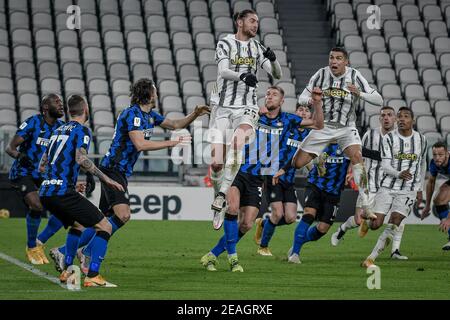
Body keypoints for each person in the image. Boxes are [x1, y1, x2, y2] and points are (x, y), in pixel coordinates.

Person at [49, 78, 209, 274]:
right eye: (155, 92)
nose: (157, 95)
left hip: (119, 170)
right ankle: (86, 254)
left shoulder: (149, 115)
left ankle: (65, 251)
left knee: (105, 219)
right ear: (149, 94)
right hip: (113, 169)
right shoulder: (132, 113)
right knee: (123, 215)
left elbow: (175, 124)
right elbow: (140, 144)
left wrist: (195, 114)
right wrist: (171, 144)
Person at [200, 86, 323, 271]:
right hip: (238, 170)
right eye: (268, 94)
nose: (270, 96)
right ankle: (233, 259)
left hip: (258, 178)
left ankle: (212, 255)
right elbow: (231, 116)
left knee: (247, 223)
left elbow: (318, 124)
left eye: (274, 94)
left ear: (282, 101)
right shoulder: (253, 116)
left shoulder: (288, 120)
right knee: (232, 209)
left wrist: (318, 103)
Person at [39, 95, 125, 287]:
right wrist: (106, 178)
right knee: (105, 226)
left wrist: (67, 181)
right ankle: (93, 275)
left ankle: (67, 270)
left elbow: (42, 166)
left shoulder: (56, 131)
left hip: (47, 192)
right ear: (85, 108)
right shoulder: (82, 131)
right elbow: (81, 159)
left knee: (77, 224)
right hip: (62, 191)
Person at [208, 9, 282, 229]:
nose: (255, 25)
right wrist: (242, 75)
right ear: (239, 22)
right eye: (252, 21)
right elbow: (223, 71)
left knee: (237, 143)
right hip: (222, 108)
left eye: (257, 22)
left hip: (247, 108)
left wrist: (274, 60)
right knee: (216, 162)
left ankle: (222, 193)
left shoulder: (257, 47)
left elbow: (277, 75)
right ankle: (217, 198)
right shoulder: (225, 43)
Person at [292, 47, 383, 220]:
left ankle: (366, 204)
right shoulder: (321, 74)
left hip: (346, 127)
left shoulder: (355, 75)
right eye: (331, 57)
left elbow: (379, 100)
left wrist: (360, 93)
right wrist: (312, 100)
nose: (334, 61)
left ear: (346, 61)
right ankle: (317, 159)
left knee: (357, 156)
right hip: (323, 126)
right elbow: (302, 97)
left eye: (338, 58)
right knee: (297, 163)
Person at [331, 106, 409, 259]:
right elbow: (357, 153)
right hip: (370, 183)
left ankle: (395, 251)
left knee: (397, 215)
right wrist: (350, 171)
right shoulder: (370, 134)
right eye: (383, 115)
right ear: (379, 119)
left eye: (389, 115)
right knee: (359, 219)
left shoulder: (401, 138)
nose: (386, 118)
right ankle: (342, 229)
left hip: (391, 184)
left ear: (395, 119)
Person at [362, 107, 427, 267]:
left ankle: (371, 258)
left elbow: (422, 164)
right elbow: (384, 165)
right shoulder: (389, 138)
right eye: (400, 117)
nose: (402, 119)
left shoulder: (421, 140)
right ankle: (367, 223)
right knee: (376, 224)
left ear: (413, 120)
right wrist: (399, 173)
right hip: (387, 186)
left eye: (406, 116)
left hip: (408, 190)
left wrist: (420, 188)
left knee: (395, 222)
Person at [6, 94, 65, 264]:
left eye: (61, 103)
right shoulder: (33, 122)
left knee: (64, 210)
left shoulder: (61, 128)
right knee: (37, 204)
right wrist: (20, 156)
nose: (61, 105)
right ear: (46, 107)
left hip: (44, 175)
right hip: (22, 173)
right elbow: (10, 148)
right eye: (57, 102)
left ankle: (39, 242)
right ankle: (31, 246)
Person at [254, 104, 312, 256]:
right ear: (295, 113)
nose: (303, 112)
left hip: (289, 179)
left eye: (306, 111)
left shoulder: (308, 136)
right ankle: (263, 246)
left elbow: (306, 158)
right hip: (272, 174)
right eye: (300, 110)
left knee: (291, 218)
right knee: (277, 213)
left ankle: (264, 224)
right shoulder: (286, 127)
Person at [284, 142, 351, 264]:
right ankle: (295, 254)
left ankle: (296, 245)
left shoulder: (347, 145)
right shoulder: (320, 140)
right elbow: (303, 158)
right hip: (315, 185)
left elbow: (360, 157)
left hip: (334, 192)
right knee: (309, 215)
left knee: (322, 229)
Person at [421, 141, 450, 250]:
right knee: (439, 200)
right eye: (434, 155)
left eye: (441, 155)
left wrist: (448, 219)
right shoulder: (433, 163)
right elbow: (431, 182)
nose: (437, 158)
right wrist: (427, 206)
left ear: (447, 154)